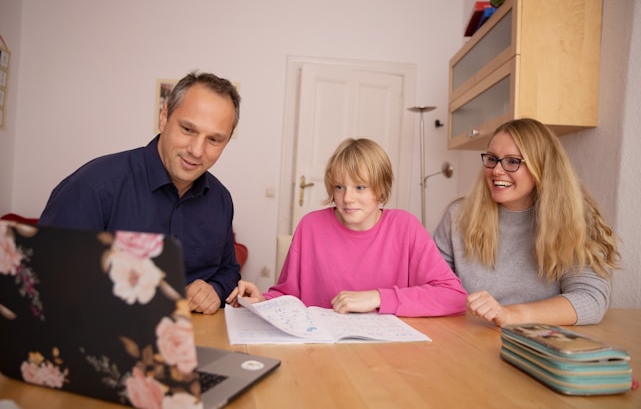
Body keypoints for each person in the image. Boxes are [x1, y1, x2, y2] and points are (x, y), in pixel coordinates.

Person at [39, 71, 242, 314]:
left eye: (214, 140)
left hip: (198, 340)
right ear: (164, 116)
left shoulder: (221, 199)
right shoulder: (93, 185)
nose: (197, 150)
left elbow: (229, 270)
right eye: (188, 129)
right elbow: (45, 278)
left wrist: (215, 289)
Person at [227, 138, 467, 317]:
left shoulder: (405, 227)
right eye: (339, 187)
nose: (347, 198)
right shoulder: (311, 226)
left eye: (360, 187)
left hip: (387, 353)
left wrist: (378, 297)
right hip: (321, 347)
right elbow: (288, 295)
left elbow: (454, 296)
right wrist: (261, 300)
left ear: (381, 190)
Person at [433, 118, 620, 326]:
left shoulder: (575, 222)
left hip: (536, 345)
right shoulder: (458, 216)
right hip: (468, 339)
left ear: (542, 168)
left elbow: (590, 300)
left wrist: (509, 315)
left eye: (513, 161)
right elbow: (432, 284)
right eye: (492, 159)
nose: (496, 170)